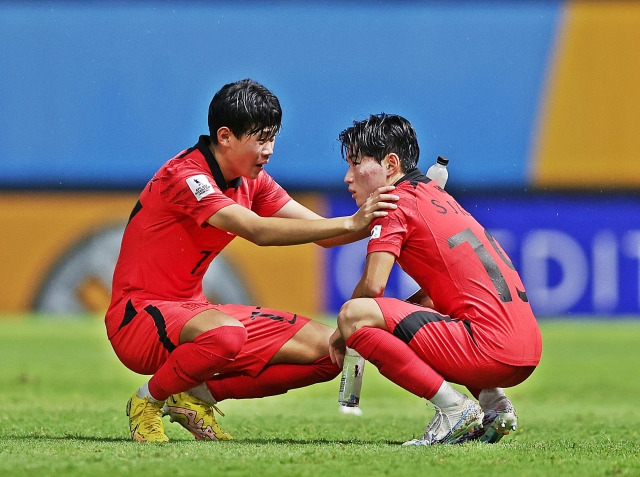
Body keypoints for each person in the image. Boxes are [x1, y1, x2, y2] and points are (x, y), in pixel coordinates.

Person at [105, 79, 398, 442]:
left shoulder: (252, 181)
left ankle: (195, 396)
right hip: (138, 319)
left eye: (273, 138)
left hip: (192, 313)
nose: (270, 149)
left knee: (331, 349)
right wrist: (356, 221)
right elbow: (256, 230)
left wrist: (398, 209)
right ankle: (147, 401)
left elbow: (326, 234)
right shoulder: (185, 177)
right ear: (225, 137)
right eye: (261, 139)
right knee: (227, 334)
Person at [329, 113, 542, 446]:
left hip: (489, 350)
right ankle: (494, 405)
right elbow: (433, 299)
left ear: (390, 164)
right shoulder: (434, 194)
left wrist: (344, 334)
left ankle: (454, 409)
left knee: (352, 315)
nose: (348, 177)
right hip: (524, 349)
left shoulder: (394, 203)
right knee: (397, 313)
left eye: (356, 164)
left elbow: (371, 289)